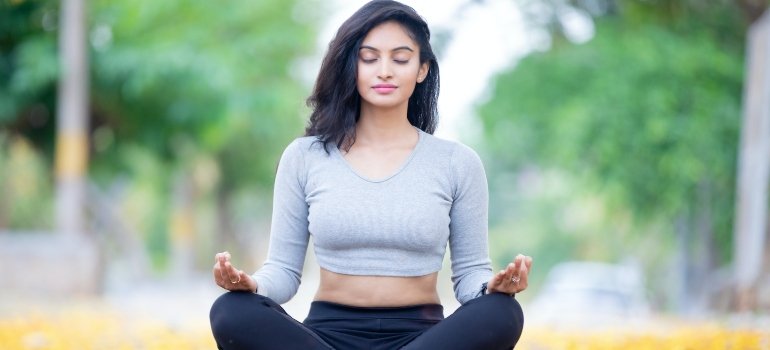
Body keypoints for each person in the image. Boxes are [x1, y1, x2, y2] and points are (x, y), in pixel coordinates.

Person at [209, 1, 533, 349]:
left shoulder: (456, 162)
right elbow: (284, 273)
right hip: (326, 338)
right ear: (352, 66)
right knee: (231, 310)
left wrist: (492, 288)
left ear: (422, 68)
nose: (384, 70)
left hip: (420, 339)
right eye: (369, 58)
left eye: (400, 57)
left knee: (503, 312)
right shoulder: (305, 157)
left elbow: (470, 275)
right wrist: (252, 285)